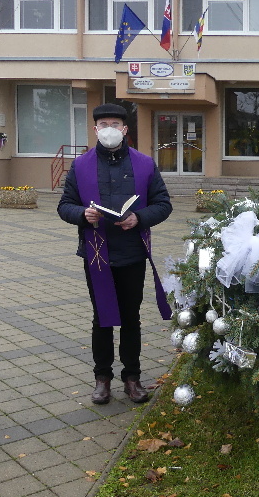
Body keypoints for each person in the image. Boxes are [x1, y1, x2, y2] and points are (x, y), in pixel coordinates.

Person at [58, 103, 173, 405]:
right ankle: (102, 378)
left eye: (115, 124)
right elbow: (65, 205)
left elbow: (163, 204)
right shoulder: (80, 166)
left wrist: (139, 218)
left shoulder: (144, 164)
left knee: (131, 317)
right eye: (103, 124)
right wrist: (82, 215)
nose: (109, 129)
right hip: (97, 254)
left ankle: (132, 378)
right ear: (95, 129)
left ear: (125, 129)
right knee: (103, 317)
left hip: (132, 253)